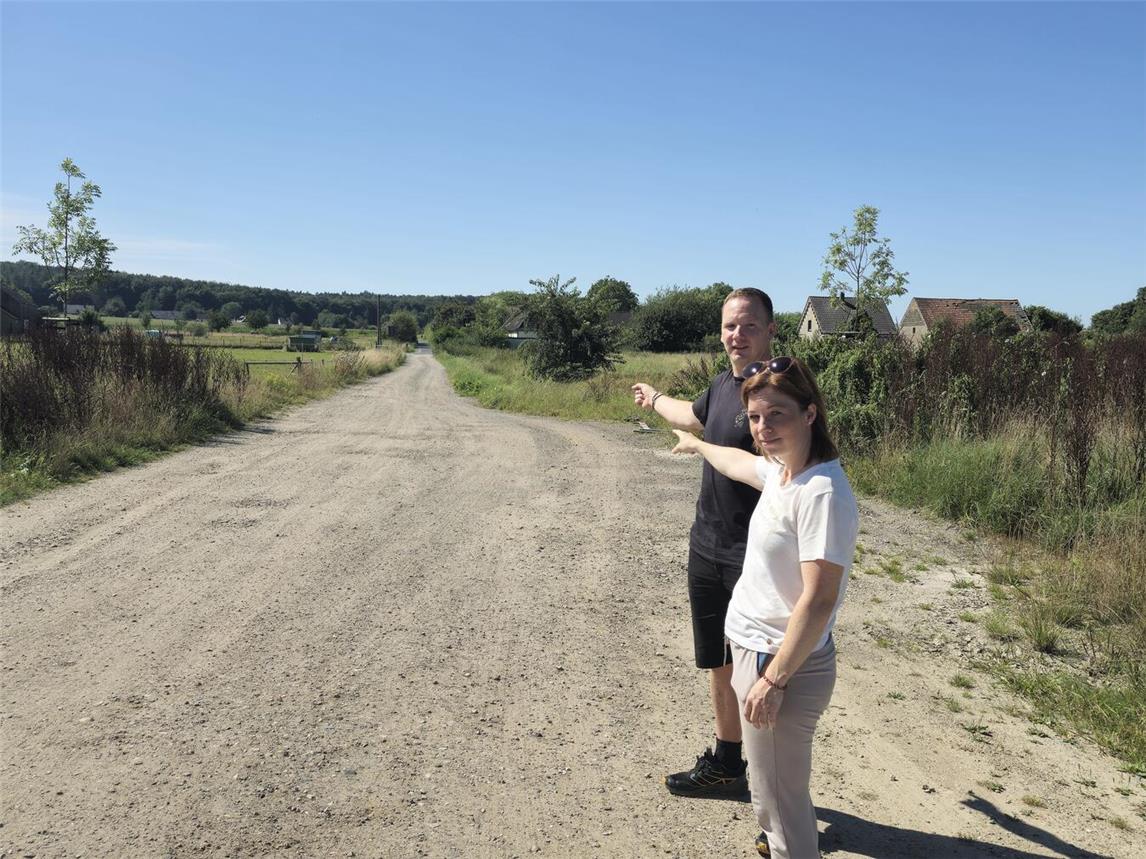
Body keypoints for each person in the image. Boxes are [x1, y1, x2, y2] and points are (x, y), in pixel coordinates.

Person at [670, 357, 858, 859]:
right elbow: (735, 462)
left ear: (809, 413)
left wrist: (773, 680)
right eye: (754, 417)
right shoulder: (783, 473)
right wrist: (696, 443)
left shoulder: (821, 492)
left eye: (776, 414)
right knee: (772, 794)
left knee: (780, 806)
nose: (762, 427)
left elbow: (819, 599)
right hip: (757, 652)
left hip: (779, 663)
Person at [631, 288, 776, 797]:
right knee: (719, 660)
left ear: (770, 331)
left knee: (761, 677)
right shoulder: (720, 386)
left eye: (749, 326)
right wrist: (654, 400)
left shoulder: (775, 394)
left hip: (755, 558)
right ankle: (727, 761)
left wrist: (699, 447)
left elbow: (775, 470)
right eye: (730, 326)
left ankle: (775, 799)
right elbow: (692, 417)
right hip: (707, 547)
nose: (738, 335)